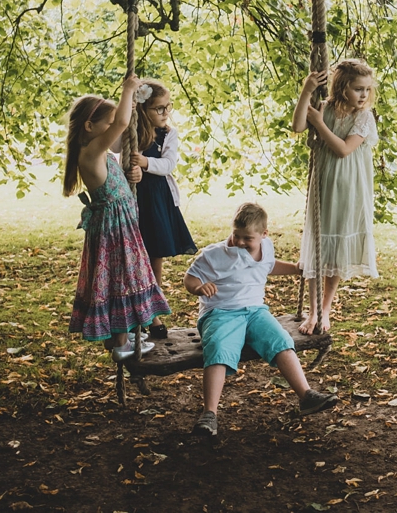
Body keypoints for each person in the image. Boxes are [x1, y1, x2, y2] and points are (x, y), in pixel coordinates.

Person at [184, 202, 338, 437]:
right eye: (237, 236)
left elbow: (269, 266)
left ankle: (306, 395)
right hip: (221, 312)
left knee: (281, 341)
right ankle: (210, 414)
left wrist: (296, 269)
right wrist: (199, 288)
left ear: (264, 235)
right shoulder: (214, 254)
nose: (241, 243)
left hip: (256, 311)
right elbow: (190, 278)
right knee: (218, 348)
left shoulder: (266, 248)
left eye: (248, 238)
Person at [63, 75, 170, 362]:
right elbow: (123, 122)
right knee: (121, 280)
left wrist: (131, 176)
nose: (114, 130)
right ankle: (122, 342)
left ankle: (123, 334)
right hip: (114, 231)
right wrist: (128, 91)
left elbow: (115, 181)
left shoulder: (101, 154)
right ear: (90, 127)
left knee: (126, 277)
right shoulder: (90, 152)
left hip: (121, 227)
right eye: (107, 125)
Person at [291, 59, 378, 334]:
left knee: (337, 251)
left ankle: (325, 309)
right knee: (318, 249)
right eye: (357, 89)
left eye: (366, 89)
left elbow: (343, 149)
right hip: (324, 185)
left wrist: (319, 123)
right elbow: (297, 126)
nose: (363, 95)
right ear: (342, 88)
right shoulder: (324, 108)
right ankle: (312, 311)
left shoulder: (363, 117)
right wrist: (307, 92)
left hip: (350, 189)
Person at [129, 79, 197, 339]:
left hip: (156, 199)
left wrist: (145, 162)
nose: (165, 112)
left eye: (168, 107)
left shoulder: (169, 133)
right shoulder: (130, 132)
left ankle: (153, 312)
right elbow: (113, 150)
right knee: (134, 257)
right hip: (134, 198)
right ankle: (134, 310)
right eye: (159, 108)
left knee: (154, 256)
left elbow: (168, 164)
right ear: (142, 109)